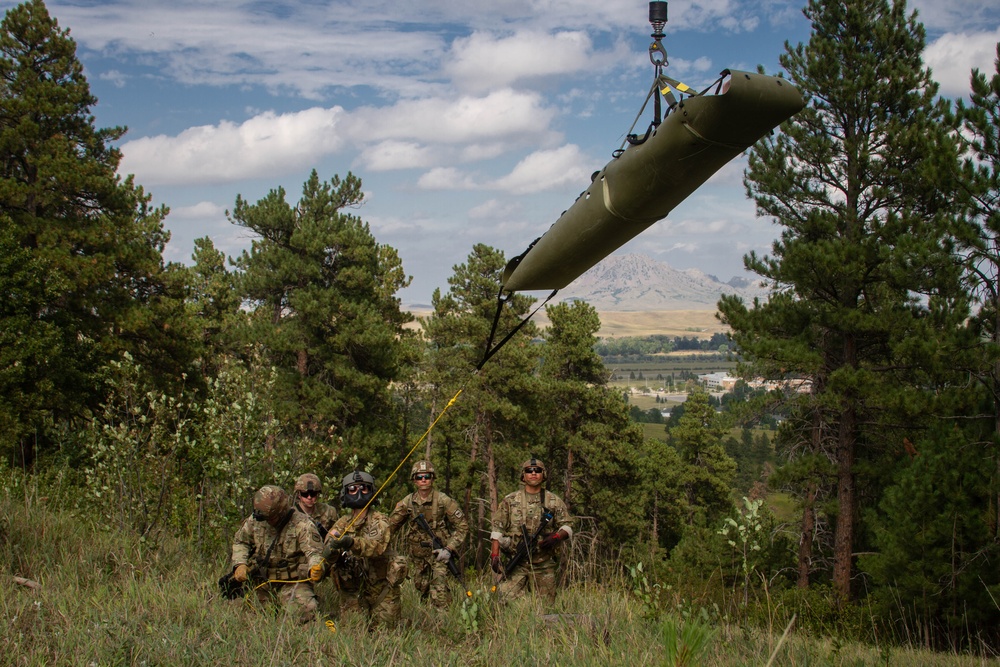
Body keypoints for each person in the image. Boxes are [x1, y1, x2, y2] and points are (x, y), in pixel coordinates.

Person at [318, 470, 407, 631]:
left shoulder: (380, 521)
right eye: (352, 489)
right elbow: (329, 549)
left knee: (387, 636)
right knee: (353, 633)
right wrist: (327, 556)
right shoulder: (342, 523)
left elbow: (377, 547)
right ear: (345, 493)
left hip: (381, 590)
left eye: (363, 488)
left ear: (371, 491)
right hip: (352, 592)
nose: (358, 492)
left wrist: (351, 543)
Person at [230, 484, 325, 624]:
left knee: (304, 612)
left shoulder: (302, 524)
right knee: (244, 615)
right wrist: (240, 564)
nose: (267, 522)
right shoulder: (256, 520)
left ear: (281, 512)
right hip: (262, 579)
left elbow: (314, 552)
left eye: (271, 518)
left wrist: (315, 568)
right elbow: (241, 541)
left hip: (292, 581)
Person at [490, 458, 574, 603]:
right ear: (523, 475)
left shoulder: (553, 500)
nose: (533, 473)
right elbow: (497, 529)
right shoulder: (510, 500)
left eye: (538, 470)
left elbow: (567, 526)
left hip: (544, 563)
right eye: (529, 470)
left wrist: (556, 537)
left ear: (544, 474)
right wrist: (495, 555)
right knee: (504, 601)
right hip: (517, 561)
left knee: (547, 608)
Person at [387, 460, 469, 608]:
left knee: (439, 590)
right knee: (422, 589)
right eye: (419, 477)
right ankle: (427, 623)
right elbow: (391, 526)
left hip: (439, 554)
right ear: (414, 480)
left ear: (432, 478)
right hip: (418, 556)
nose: (423, 480)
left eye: (427, 476)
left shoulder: (443, 500)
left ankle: (444, 622)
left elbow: (462, 525)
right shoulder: (408, 502)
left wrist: (449, 548)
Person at [294, 473, 338, 540]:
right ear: (299, 494)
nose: (309, 497)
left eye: (313, 494)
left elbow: (337, 533)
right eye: (305, 494)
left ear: (317, 494)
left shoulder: (329, 512)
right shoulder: (291, 514)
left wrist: (333, 537)